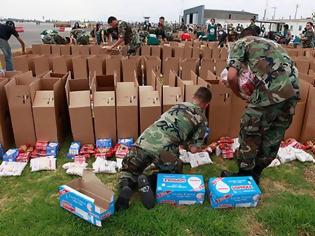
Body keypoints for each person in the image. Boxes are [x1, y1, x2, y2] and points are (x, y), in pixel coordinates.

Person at [221, 27, 299, 185]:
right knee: (274, 133)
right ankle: (256, 173)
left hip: (270, 92)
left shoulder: (241, 43)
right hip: (292, 93)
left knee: (250, 131)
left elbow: (231, 76)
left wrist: (240, 95)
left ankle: (243, 176)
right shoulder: (274, 44)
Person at [116, 87, 212, 210]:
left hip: (143, 142)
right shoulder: (202, 120)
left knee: (128, 169)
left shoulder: (179, 105)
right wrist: (201, 147)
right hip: (164, 151)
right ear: (207, 105)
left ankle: (126, 185)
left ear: (194, 97)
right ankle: (149, 180)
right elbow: (193, 149)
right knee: (174, 172)